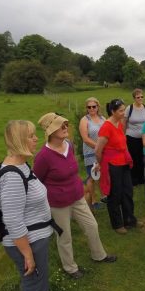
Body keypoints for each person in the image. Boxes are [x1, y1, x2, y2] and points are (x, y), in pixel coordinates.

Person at [0, 120, 73, 291]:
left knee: (37, 283)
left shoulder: (21, 166)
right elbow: (12, 220)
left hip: (33, 238)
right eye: (30, 136)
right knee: (34, 284)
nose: (36, 138)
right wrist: (27, 253)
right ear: (20, 140)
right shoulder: (12, 176)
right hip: (26, 243)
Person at [34, 112, 117, 280]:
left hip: (77, 196)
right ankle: (70, 268)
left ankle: (99, 255)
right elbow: (38, 181)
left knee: (92, 226)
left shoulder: (69, 145)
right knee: (65, 236)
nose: (66, 128)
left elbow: (72, 169)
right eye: (61, 126)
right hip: (58, 203)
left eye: (65, 124)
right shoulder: (43, 156)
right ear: (51, 131)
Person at [95, 99, 137, 235]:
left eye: (124, 110)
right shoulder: (106, 127)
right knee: (115, 194)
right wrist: (99, 164)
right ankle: (117, 224)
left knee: (128, 191)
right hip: (112, 164)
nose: (123, 113)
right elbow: (98, 150)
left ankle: (129, 219)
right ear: (112, 111)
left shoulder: (119, 123)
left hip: (123, 161)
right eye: (120, 111)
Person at [78, 97, 105, 210]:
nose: (91, 109)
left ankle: (105, 196)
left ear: (98, 107)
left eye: (94, 106)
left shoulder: (103, 118)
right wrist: (98, 147)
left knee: (103, 174)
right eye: (89, 107)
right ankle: (93, 200)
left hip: (103, 151)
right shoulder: (85, 120)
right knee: (92, 176)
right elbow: (85, 138)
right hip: (91, 151)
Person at [124, 88, 145, 186]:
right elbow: (124, 123)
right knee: (133, 158)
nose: (140, 99)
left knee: (142, 158)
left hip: (143, 138)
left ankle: (141, 178)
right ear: (134, 98)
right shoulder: (129, 108)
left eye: (142, 97)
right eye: (138, 97)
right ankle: (133, 179)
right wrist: (123, 136)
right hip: (131, 137)